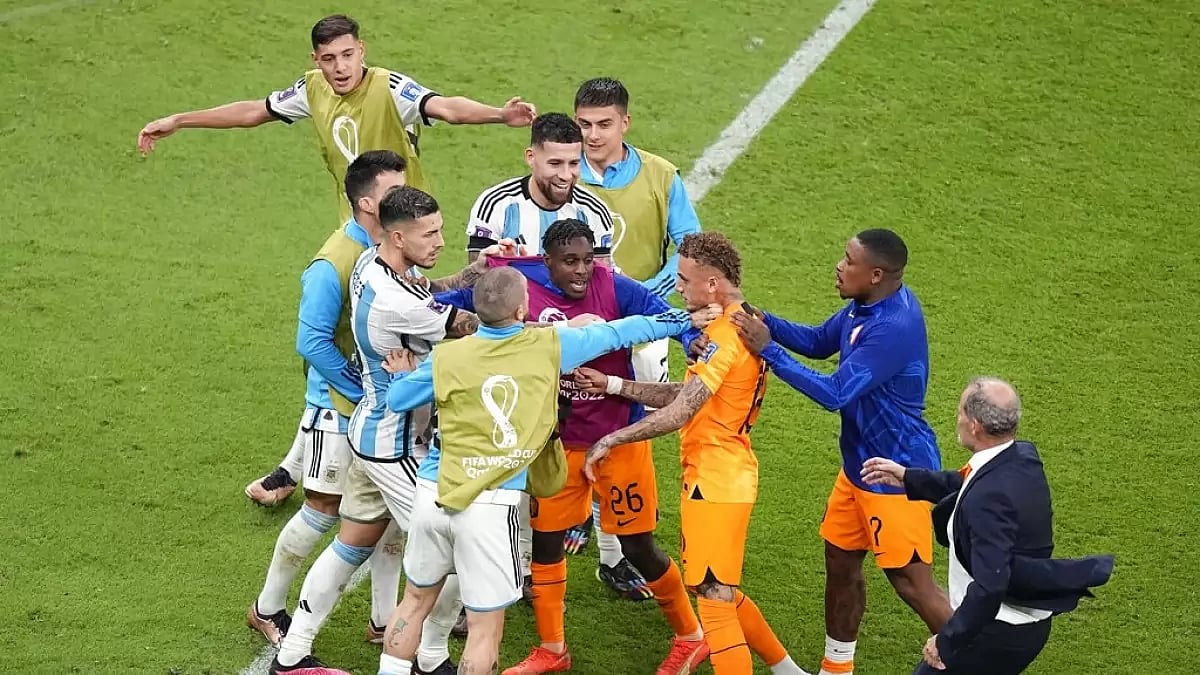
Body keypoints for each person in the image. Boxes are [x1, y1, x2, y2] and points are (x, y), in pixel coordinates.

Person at [368, 267, 699, 675]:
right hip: (490, 505)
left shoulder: (447, 355)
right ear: (523, 308)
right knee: (483, 627)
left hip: (432, 493)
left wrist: (403, 374)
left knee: (415, 602)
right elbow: (623, 332)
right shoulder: (549, 345)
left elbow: (399, 399)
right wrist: (685, 319)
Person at [435, 219, 717, 674]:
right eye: (570, 261)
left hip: (618, 440)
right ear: (547, 262)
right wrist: (424, 309)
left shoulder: (615, 286)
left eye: (588, 259)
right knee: (546, 545)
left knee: (638, 545)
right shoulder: (519, 283)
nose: (582, 270)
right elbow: (447, 303)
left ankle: (691, 635)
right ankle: (552, 649)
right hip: (558, 444)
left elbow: (664, 315)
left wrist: (693, 338)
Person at [269, 186, 505, 675]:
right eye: (431, 233)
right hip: (395, 443)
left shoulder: (376, 265)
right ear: (398, 236)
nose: (441, 240)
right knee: (459, 556)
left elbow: (430, 290)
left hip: (369, 428)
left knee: (352, 543)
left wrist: (472, 273)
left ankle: (291, 657)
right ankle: (428, 656)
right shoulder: (398, 302)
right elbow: (482, 325)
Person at [582, 232, 809, 675]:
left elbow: (682, 410)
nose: (677, 288)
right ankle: (789, 672)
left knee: (713, 597)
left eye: (684, 280)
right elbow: (687, 392)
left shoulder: (724, 336)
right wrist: (615, 386)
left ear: (712, 286)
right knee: (718, 586)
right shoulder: (745, 322)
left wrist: (613, 438)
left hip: (715, 479)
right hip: (729, 471)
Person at [730, 229, 952, 675]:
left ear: (875, 274)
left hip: (895, 473)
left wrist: (767, 348)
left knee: (912, 583)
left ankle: (981, 658)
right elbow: (815, 341)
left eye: (848, 260)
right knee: (841, 560)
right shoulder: (863, 306)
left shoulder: (892, 328)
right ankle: (837, 668)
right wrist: (757, 318)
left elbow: (836, 393)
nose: (838, 265)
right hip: (859, 469)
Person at [137, 14, 536, 224]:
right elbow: (252, 112)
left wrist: (499, 115)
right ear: (316, 60)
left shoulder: (390, 87)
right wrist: (180, 120)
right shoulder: (312, 89)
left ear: (361, 50)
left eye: (347, 55)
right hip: (355, 220)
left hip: (405, 222)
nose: (340, 67)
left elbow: (447, 108)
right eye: (329, 59)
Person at [244, 151, 409, 650]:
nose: (403, 199)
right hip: (336, 409)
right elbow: (311, 341)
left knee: (383, 516)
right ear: (365, 203)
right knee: (321, 508)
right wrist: (363, 390)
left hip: (375, 411)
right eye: (392, 193)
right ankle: (268, 607)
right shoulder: (333, 262)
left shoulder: (388, 247)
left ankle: (384, 621)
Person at [861, 377, 1114, 674]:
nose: (957, 419)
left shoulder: (988, 500)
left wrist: (947, 641)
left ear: (975, 426)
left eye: (960, 414)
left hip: (998, 631)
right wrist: (907, 477)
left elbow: (990, 586)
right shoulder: (1021, 456)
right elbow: (967, 482)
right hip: (1023, 622)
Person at [562, 77, 704, 575]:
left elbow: (689, 243)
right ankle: (577, 513)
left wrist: (645, 294)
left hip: (642, 324)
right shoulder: (566, 174)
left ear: (625, 122)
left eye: (604, 124)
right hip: (579, 322)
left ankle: (615, 544)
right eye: (584, 124)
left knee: (629, 422)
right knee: (572, 414)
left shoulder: (662, 175)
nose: (593, 135)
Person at [464, 113, 615, 262]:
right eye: (555, 164)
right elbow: (477, 278)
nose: (566, 175)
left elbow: (602, 281)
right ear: (531, 157)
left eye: (574, 163)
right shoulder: (495, 204)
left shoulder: (594, 212)